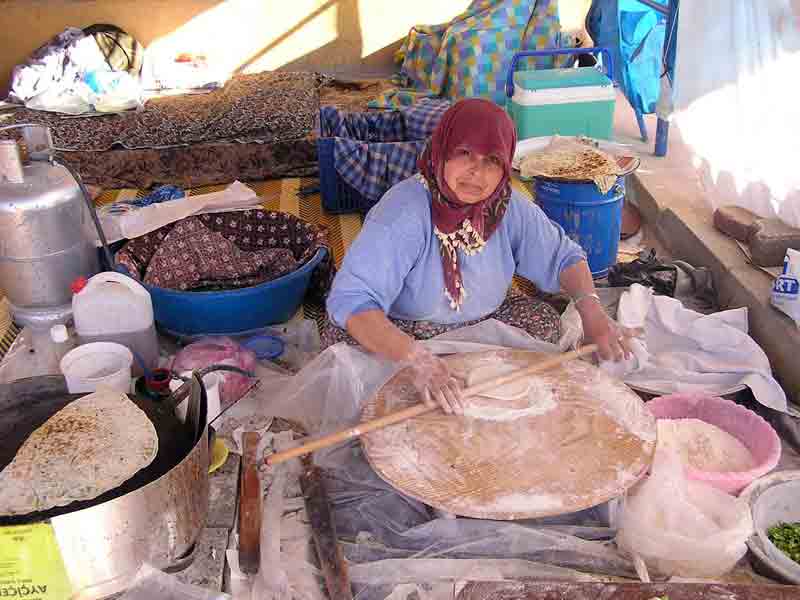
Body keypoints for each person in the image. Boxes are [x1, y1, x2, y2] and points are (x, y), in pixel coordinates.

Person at [324, 98, 630, 414]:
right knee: (348, 354)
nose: (476, 172)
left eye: (492, 160)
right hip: (408, 328)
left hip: (483, 319)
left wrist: (592, 313)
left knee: (544, 323)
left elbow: (564, 256)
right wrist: (415, 358)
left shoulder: (506, 207)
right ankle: (433, 372)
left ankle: (450, 372)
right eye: (464, 153)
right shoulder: (403, 214)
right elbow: (353, 300)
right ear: (441, 151)